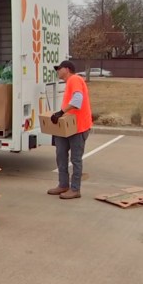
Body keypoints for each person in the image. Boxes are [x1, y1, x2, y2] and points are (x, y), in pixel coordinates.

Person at [47, 60, 93, 200]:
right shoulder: (69, 83)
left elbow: (77, 100)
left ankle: (75, 189)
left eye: (59, 69)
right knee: (61, 155)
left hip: (78, 128)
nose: (57, 71)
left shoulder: (75, 79)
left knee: (75, 159)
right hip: (67, 126)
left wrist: (60, 112)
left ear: (66, 69)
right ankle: (63, 185)